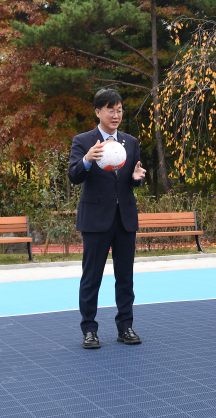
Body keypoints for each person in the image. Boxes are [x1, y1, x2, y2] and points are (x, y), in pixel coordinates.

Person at [68, 88, 147, 349]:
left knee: (125, 277)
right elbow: (74, 176)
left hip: (124, 218)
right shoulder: (83, 141)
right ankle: (89, 330)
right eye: (110, 110)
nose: (116, 115)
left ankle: (126, 326)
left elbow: (131, 179)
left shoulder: (130, 142)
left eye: (120, 110)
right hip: (95, 219)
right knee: (92, 277)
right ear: (98, 112)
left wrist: (137, 180)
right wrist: (87, 160)